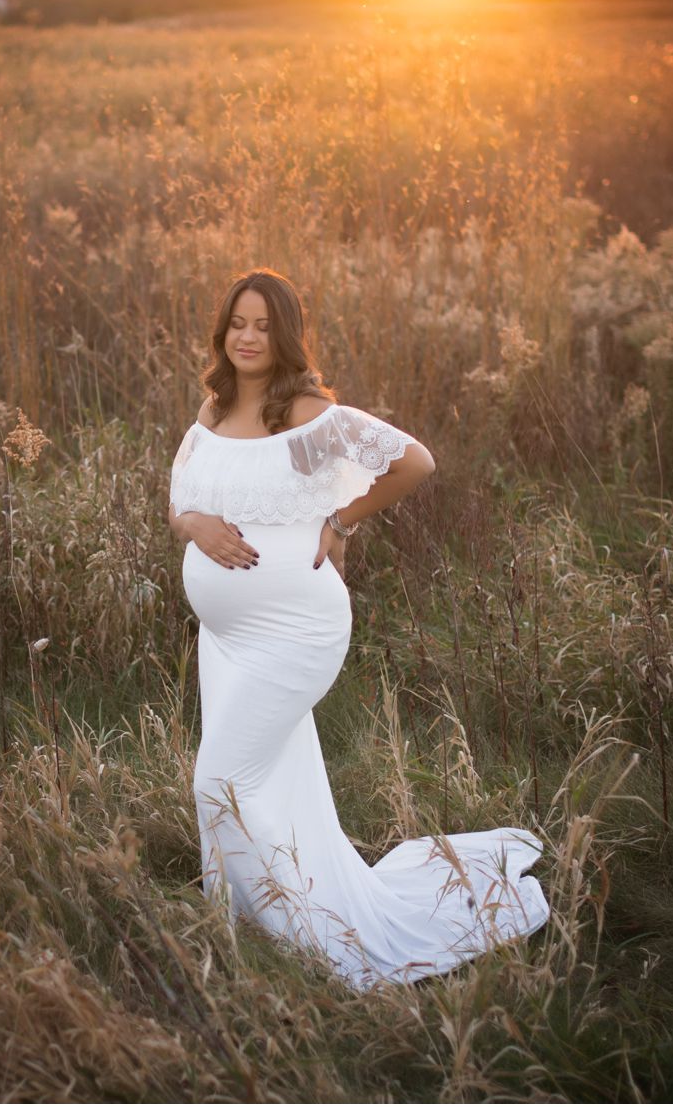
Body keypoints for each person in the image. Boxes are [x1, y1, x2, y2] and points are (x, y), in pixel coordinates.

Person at [168, 267, 548, 989]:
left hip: (295, 630)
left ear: (285, 335)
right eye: (236, 323)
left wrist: (340, 520)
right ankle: (252, 914)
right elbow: (178, 496)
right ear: (222, 332)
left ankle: (302, 934)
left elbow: (415, 461)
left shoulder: (310, 416)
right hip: (225, 638)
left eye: (263, 325)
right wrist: (197, 523)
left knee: (218, 779)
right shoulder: (213, 410)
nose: (248, 337)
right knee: (267, 782)